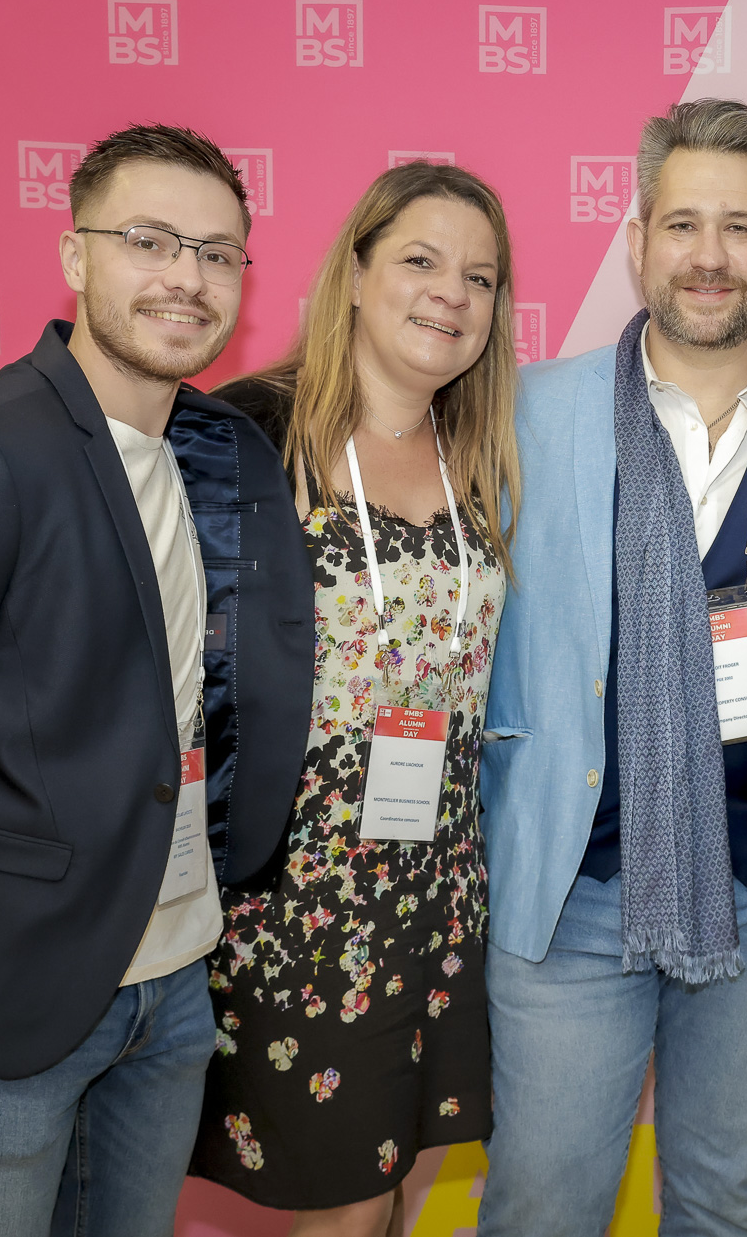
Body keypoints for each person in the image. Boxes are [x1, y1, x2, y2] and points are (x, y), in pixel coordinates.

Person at [0, 125, 313, 1237]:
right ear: (74, 254)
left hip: (172, 980)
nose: (187, 276)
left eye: (218, 253)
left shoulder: (220, 451)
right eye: (149, 240)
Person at [474, 98, 747, 1234]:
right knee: (544, 1207)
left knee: (731, 1207)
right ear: (639, 239)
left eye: (740, 227)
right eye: (684, 224)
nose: (710, 256)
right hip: (574, 892)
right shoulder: (525, 414)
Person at [186, 161, 520, 1237]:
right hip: (294, 896)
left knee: (379, 1190)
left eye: (479, 277)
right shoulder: (247, 434)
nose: (450, 293)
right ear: (357, 272)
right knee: (345, 1199)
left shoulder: (483, 454)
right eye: (420, 260)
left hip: (437, 884)